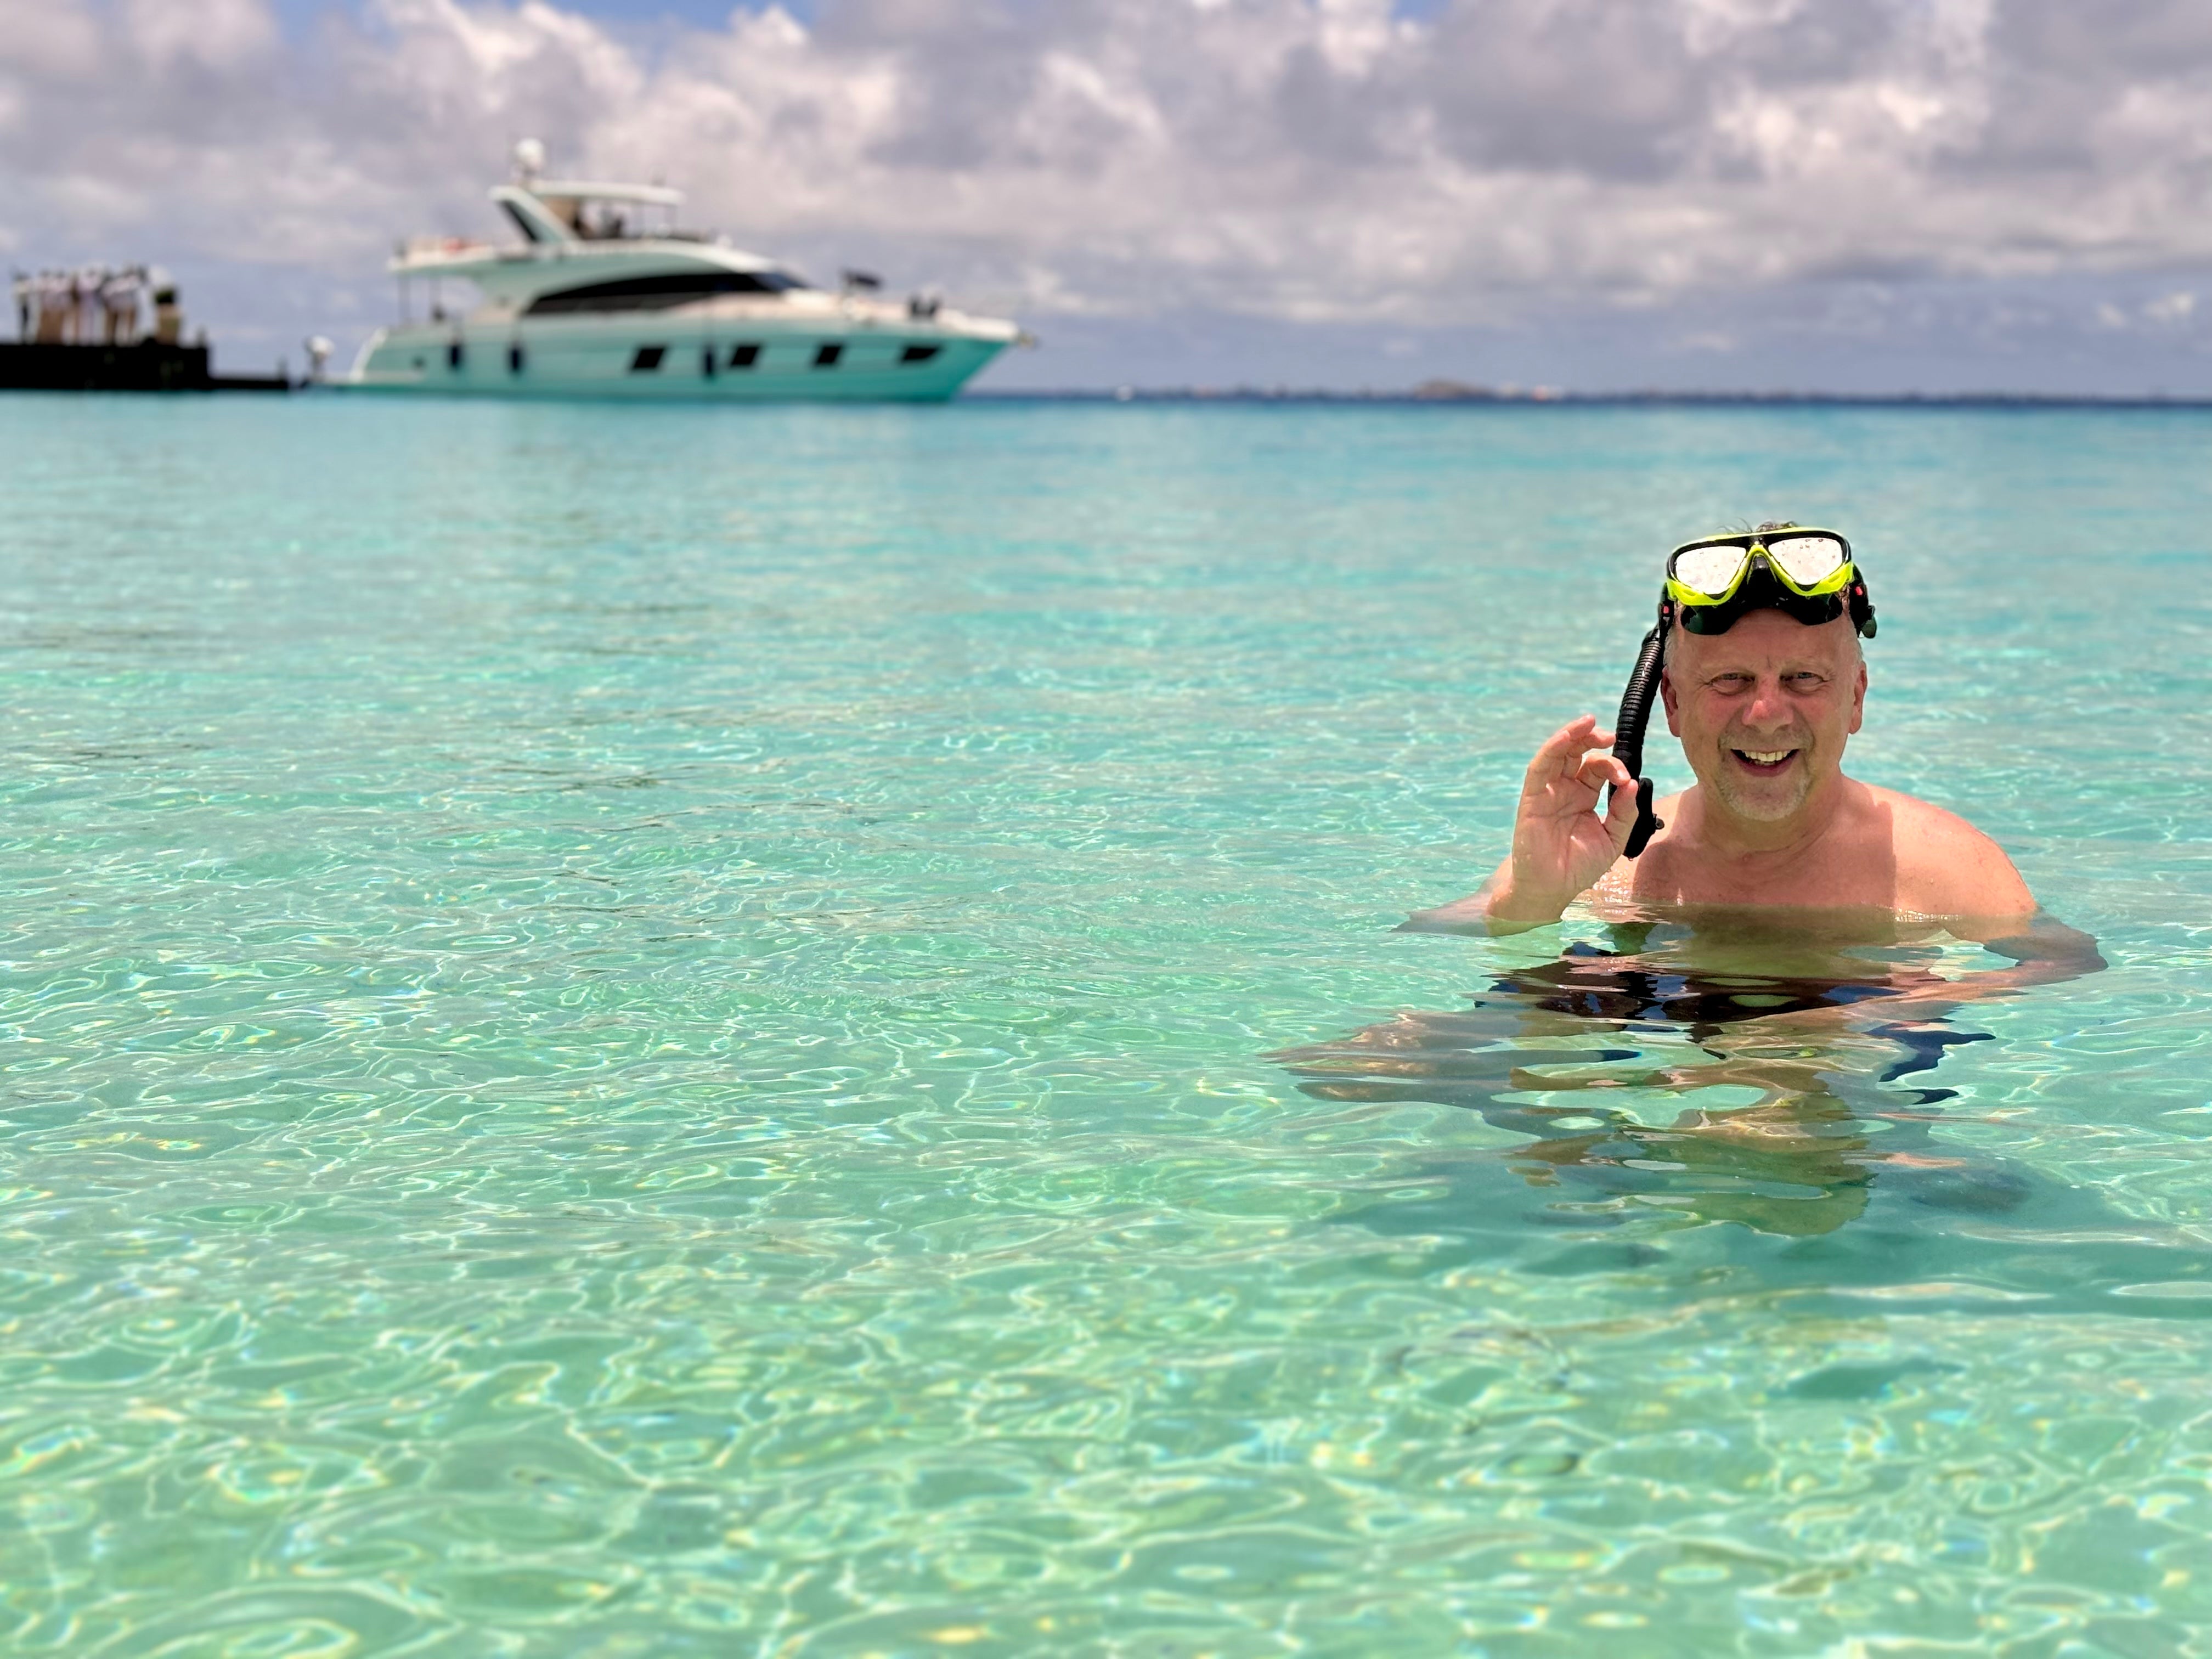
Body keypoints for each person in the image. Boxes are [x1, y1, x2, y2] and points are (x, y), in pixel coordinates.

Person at [1419, 523, 2046, 936]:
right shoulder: (1606, 870)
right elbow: (1436, 941)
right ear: (1669, 702)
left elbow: (2060, 989)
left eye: (1804, 678)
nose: (1767, 714)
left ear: (1855, 697)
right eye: (1730, 681)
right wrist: (1531, 904)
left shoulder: (1954, 878)